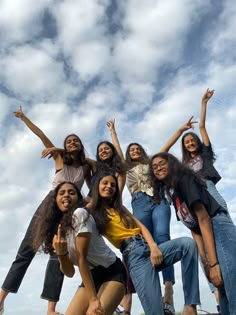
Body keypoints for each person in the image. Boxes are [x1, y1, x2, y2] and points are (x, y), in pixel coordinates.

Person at [0, 106, 91, 315]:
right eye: (68, 141)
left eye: (75, 141)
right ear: (65, 147)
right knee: (27, 248)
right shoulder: (59, 159)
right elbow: (41, 135)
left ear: (80, 145)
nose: (72, 143)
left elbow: (97, 170)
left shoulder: (85, 167)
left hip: (71, 208)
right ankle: (2, 298)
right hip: (51, 203)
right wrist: (24, 118)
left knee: (59, 252)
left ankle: (51, 308)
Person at [89, 171, 201, 315]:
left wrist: (154, 247)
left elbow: (141, 227)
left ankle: (190, 306)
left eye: (112, 184)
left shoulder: (119, 208)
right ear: (97, 186)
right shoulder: (92, 210)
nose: (109, 186)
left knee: (188, 244)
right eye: (105, 183)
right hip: (134, 256)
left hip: (147, 247)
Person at [161, 89, 229, 312]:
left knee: (223, 238)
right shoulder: (181, 169)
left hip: (209, 192)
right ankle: (219, 299)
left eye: (192, 141)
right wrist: (179, 130)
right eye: (186, 141)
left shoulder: (205, 156)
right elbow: (163, 156)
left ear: (197, 144)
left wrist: (203, 104)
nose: (190, 143)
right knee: (206, 254)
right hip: (192, 200)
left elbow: (201, 127)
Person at [150, 152, 236, 315]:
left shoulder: (184, 178)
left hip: (218, 228)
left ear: (172, 164)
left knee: (233, 287)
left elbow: (203, 218)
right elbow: (194, 229)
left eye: (162, 163)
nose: (158, 168)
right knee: (223, 290)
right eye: (154, 167)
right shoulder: (175, 196)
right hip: (206, 236)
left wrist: (214, 264)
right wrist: (205, 262)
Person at [32, 181, 126, 315]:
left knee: (93, 312)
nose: (66, 195)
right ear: (55, 200)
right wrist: (61, 253)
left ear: (78, 199)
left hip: (111, 271)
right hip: (92, 276)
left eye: (72, 192)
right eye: (61, 193)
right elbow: (69, 272)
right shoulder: (57, 232)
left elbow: (82, 257)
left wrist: (93, 300)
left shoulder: (80, 214)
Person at [125, 142, 175, 314]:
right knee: (145, 246)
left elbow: (165, 149)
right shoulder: (125, 168)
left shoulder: (150, 164)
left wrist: (180, 130)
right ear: (128, 154)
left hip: (158, 199)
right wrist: (113, 133)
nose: (135, 151)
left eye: (138, 148)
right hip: (139, 203)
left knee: (162, 238)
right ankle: (154, 299)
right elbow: (116, 150)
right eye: (132, 150)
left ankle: (168, 292)